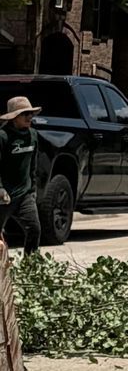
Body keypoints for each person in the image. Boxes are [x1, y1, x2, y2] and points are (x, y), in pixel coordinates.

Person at [0, 94, 44, 253]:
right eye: (25, 114)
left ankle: (29, 268)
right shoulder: (3, 136)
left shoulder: (33, 135)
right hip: (4, 196)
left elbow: (33, 165)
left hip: (25, 194)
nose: (29, 116)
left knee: (34, 229)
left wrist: (32, 189)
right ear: (14, 117)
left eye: (31, 113)